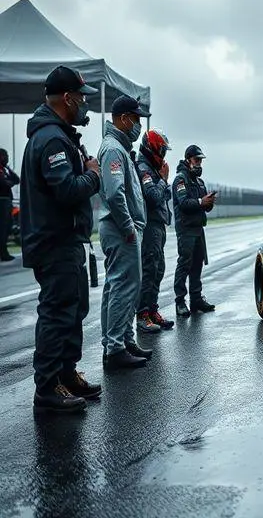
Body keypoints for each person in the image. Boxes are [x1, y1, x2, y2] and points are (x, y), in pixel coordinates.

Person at [20, 65, 102, 412]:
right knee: (57, 313)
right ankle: (47, 388)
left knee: (74, 308)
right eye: (81, 98)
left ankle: (66, 375)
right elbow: (67, 189)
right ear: (67, 98)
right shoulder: (51, 138)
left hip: (66, 240)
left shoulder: (61, 134)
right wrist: (94, 176)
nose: (85, 104)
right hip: (54, 241)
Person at [98, 95, 151, 370]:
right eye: (136, 119)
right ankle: (116, 348)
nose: (138, 125)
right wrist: (129, 226)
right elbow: (115, 193)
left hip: (122, 228)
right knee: (123, 287)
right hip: (121, 230)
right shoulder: (113, 150)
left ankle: (122, 341)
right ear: (123, 119)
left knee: (122, 287)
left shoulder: (119, 147)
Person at [135, 128, 175, 331]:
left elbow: (164, 196)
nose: (164, 154)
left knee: (158, 269)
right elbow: (153, 197)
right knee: (149, 269)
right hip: (150, 224)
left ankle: (151, 309)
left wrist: (162, 183)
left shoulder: (153, 168)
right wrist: (163, 180)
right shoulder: (144, 167)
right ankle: (142, 314)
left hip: (158, 223)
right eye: (162, 150)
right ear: (153, 147)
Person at [173, 145, 216, 317]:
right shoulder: (180, 180)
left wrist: (209, 203)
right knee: (184, 265)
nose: (199, 164)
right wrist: (200, 202)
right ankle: (180, 302)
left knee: (197, 265)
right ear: (188, 159)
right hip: (186, 229)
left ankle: (196, 300)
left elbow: (204, 206)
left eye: (201, 161)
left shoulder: (199, 182)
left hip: (199, 229)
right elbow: (183, 204)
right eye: (196, 160)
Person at [0, 148, 20, 261]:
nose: (6, 158)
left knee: (7, 227)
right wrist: (9, 183)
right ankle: (3, 253)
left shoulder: (4, 170)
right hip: (2, 201)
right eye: (4, 156)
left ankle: (3, 251)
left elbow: (16, 179)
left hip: (6, 202)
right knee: (3, 228)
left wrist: (8, 168)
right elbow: (3, 184)